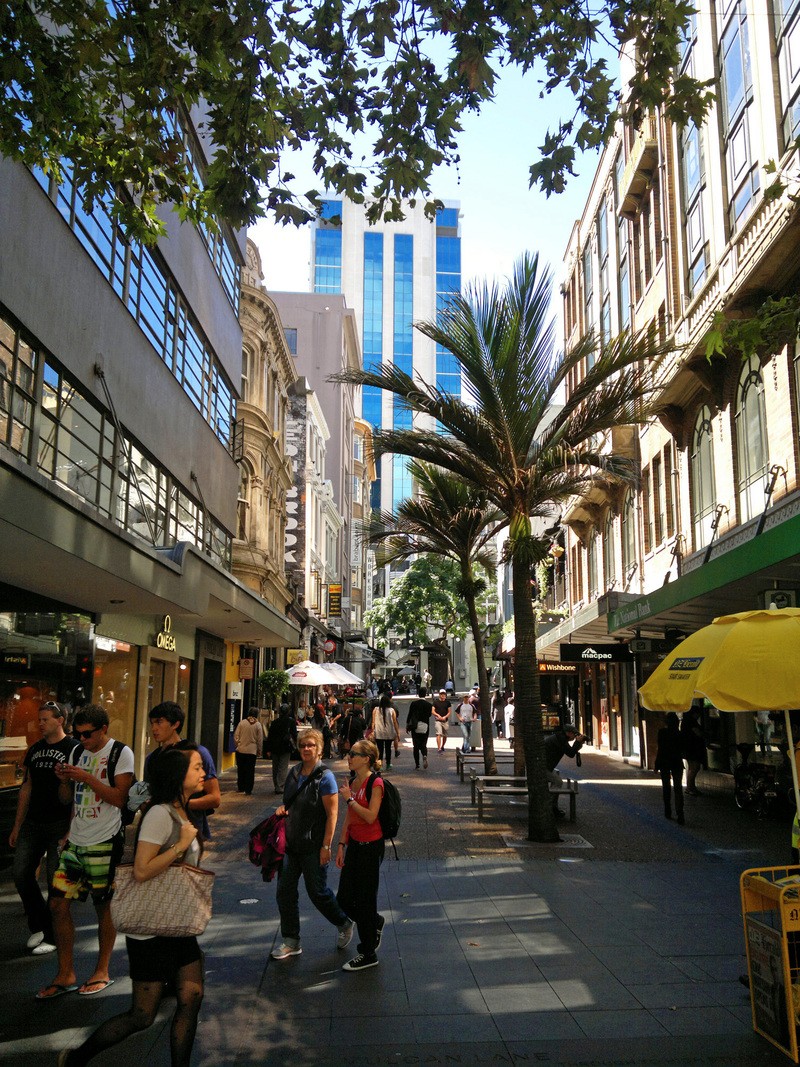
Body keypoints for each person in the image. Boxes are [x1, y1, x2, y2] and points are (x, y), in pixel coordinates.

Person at [59, 747, 206, 1067]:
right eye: (197, 767)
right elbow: (141, 870)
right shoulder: (158, 814)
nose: (203, 772)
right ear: (178, 777)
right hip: (151, 930)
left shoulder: (183, 810)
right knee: (142, 1016)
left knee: (191, 999)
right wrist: (181, 845)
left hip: (177, 923)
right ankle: (75, 1058)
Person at [37, 704, 134, 999]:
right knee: (57, 904)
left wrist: (87, 778)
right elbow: (68, 799)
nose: (83, 740)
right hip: (76, 839)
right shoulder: (77, 752)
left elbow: (120, 798)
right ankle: (65, 972)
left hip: (105, 839)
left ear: (103, 729)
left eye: (88, 734)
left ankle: (101, 970)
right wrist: (65, 781)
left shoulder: (120, 753)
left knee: (103, 905)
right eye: (78, 734)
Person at [271, 729, 353, 960]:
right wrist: (282, 810)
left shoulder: (325, 777)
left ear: (319, 749)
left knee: (317, 891)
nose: (306, 749)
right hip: (291, 843)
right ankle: (291, 940)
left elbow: (332, 815)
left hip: (313, 845)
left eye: (311, 745)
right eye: (302, 745)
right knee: (284, 892)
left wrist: (326, 846)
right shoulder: (294, 772)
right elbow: (288, 803)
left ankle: (343, 922)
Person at [10, 700, 80, 956]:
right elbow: (26, 786)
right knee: (21, 873)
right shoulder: (35, 749)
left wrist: (71, 829)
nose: (40, 724)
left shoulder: (73, 748)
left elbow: (74, 793)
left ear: (60, 720)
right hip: (33, 821)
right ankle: (39, 924)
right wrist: (17, 824)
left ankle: (51, 935)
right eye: (39, 719)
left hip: (59, 823)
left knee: (55, 882)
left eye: (46, 719)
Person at [336, 740, 385, 971]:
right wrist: (341, 843)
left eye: (354, 754)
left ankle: (368, 953)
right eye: (349, 753)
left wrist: (349, 798)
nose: (349, 756)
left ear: (366, 758)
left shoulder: (376, 783)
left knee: (365, 900)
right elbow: (350, 817)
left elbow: (370, 816)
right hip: (355, 845)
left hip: (370, 847)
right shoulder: (353, 781)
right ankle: (374, 922)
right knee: (344, 899)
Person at [145, 702, 220, 840]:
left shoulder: (197, 754)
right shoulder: (152, 758)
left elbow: (215, 798)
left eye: (159, 722)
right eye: (152, 723)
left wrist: (180, 804)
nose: (154, 728)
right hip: (158, 830)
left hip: (191, 829)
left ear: (175, 724)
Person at [544, 723, 586, 817]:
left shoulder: (559, 737)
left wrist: (578, 743)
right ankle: (549, 807)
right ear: (568, 733)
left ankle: (552, 807)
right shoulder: (560, 739)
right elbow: (571, 753)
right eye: (574, 734)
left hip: (545, 767)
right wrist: (578, 742)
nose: (575, 737)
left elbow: (570, 752)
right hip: (542, 768)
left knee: (556, 779)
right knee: (558, 781)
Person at [654, 712, 685, 825]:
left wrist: (656, 765)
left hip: (664, 762)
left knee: (666, 787)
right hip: (676, 762)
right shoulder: (679, 734)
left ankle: (668, 810)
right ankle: (680, 813)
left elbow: (660, 749)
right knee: (678, 788)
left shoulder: (662, 733)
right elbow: (682, 749)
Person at [265, 704, 298, 794]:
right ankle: (280, 786)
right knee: (283, 767)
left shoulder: (275, 722)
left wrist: (268, 749)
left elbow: (270, 736)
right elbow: (294, 734)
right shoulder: (291, 722)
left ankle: (276, 784)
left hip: (275, 747)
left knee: (275, 767)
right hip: (285, 747)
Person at [233, 709, 263, 795]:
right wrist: (259, 750)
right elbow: (260, 740)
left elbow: (236, 736)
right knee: (250, 770)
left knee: (241, 769)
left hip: (241, 750)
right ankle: (248, 789)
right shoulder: (258, 725)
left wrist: (237, 745)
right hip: (252, 751)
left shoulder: (242, 723)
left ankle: (241, 787)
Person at [371, 692, 401, 771]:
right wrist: (398, 733)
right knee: (388, 749)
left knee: (380, 749)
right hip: (389, 732)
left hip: (378, 732)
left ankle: (380, 765)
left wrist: (372, 730)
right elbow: (395, 722)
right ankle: (388, 764)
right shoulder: (391, 710)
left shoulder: (375, 710)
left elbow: (373, 722)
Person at [680, 707, 706, 796]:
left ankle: (691, 787)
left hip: (688, 748)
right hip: (693, 748)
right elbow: (698, 733)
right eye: (697, 713)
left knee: (692, 768)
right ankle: (690, 787)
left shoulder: (685, 721)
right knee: (694, 768)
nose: (698, 716)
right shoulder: (691, 722)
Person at [406, 687, 433, 770]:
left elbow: (410, 715)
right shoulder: (429, 705)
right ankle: (424, 755)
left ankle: (417, 764)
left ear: (418, 694)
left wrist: (407, 724)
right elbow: (429, 715)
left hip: (415, 726)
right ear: (425, 694)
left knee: (416, 746)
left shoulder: (414, 703)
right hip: (425, 725)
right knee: (424, 743)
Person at [431, 689, 452, 753]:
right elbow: (432, 711)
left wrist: (445, 717)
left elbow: (449, 711)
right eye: (441, 694)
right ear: (439, 695)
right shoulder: (436, 702)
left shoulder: (447, 702)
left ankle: (443, 746)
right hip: (438, 720)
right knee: (438, 734)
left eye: (444, 694)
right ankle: (439, 748)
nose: (443, 695)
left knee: (445, 735)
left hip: (445, 720)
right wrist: (438, 715)